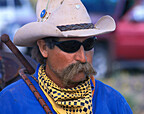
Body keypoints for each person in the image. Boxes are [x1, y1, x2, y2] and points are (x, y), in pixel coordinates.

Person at [0, 0, 132, 113]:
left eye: (88, 44)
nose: (82, 58)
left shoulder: (114, 103)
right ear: (44, 48)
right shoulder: (10, 103)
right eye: (70, 46)